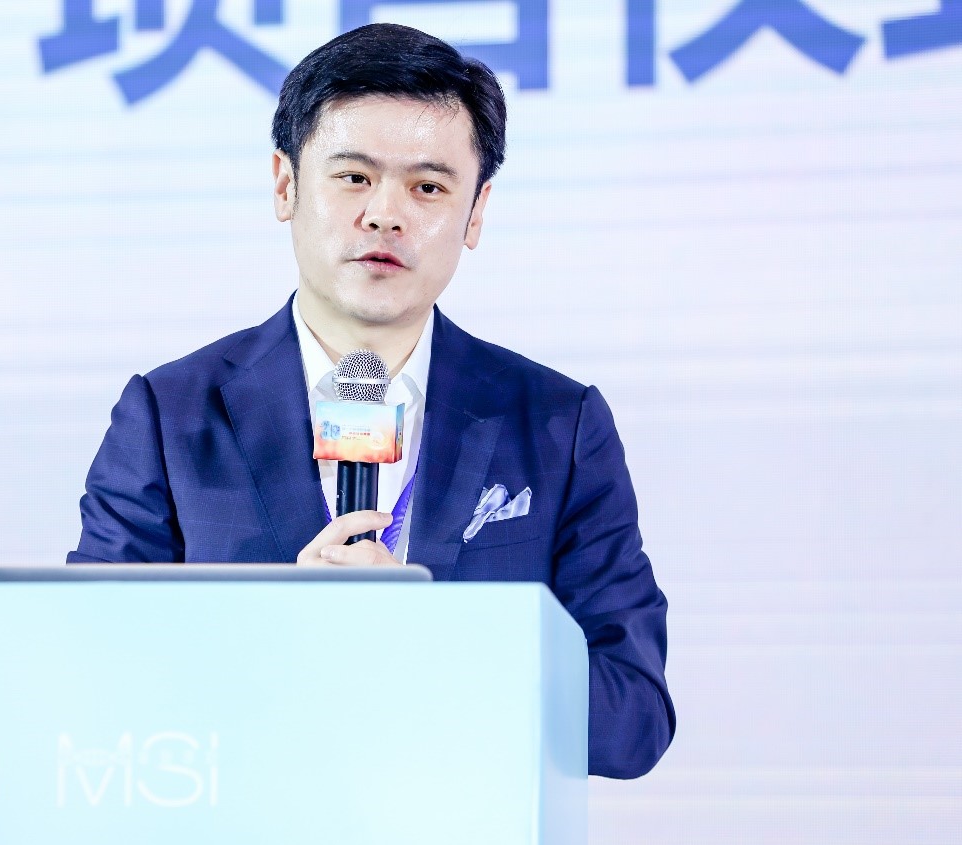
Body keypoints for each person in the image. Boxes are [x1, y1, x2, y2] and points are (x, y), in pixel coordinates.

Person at [68, 23, 675, 779]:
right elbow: (80, 679)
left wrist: (437, 640)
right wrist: (273, 635)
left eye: (428, 187)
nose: (386, 214)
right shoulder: (169, 416)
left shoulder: (558, 424)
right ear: (285, 184)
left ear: (476, 212)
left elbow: (632, 720)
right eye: (354, 177)